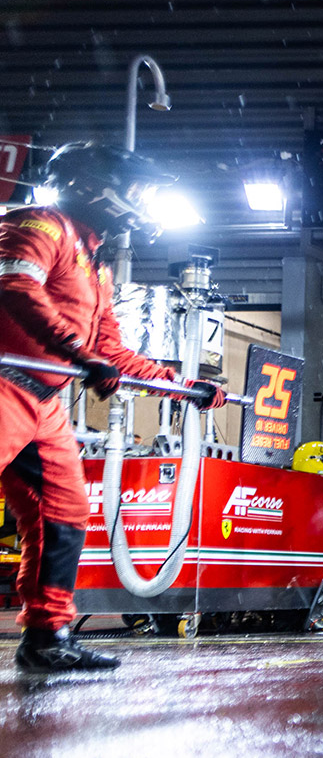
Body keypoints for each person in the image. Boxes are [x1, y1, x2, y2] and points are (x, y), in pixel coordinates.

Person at [0, 142, 225, 670]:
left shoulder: (96, 265)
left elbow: (111, 352)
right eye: (137, 190)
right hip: (5, 383)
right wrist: (75, 353)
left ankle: (47, 638)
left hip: (44, 399)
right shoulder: (41, 226)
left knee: (65, 512)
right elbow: (13, 288)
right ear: (92, 184)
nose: (143, 201)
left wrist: (184, 385)